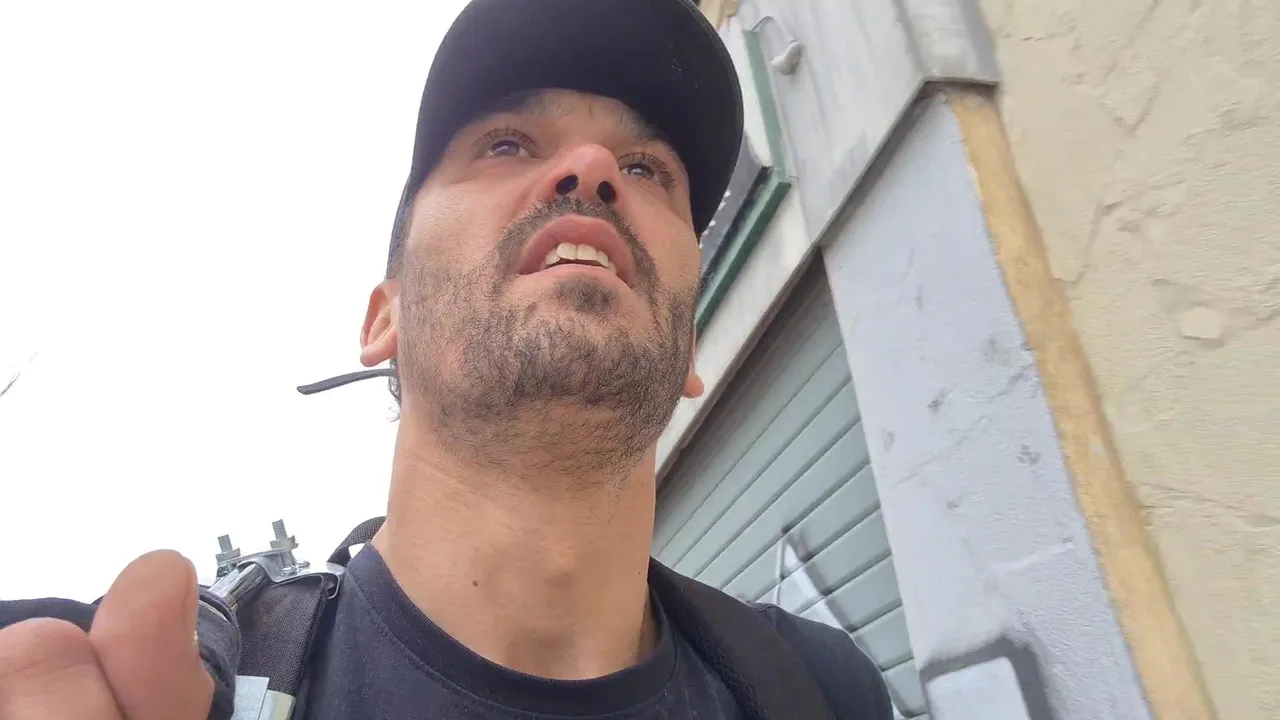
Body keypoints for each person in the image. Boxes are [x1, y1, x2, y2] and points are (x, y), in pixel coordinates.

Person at [0, 1, 895, 718]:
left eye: (648, 169)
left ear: (688, 346)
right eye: (506, 144)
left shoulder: (822, 691)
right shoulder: (149, 678)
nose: (592, 166)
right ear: (384, 318)